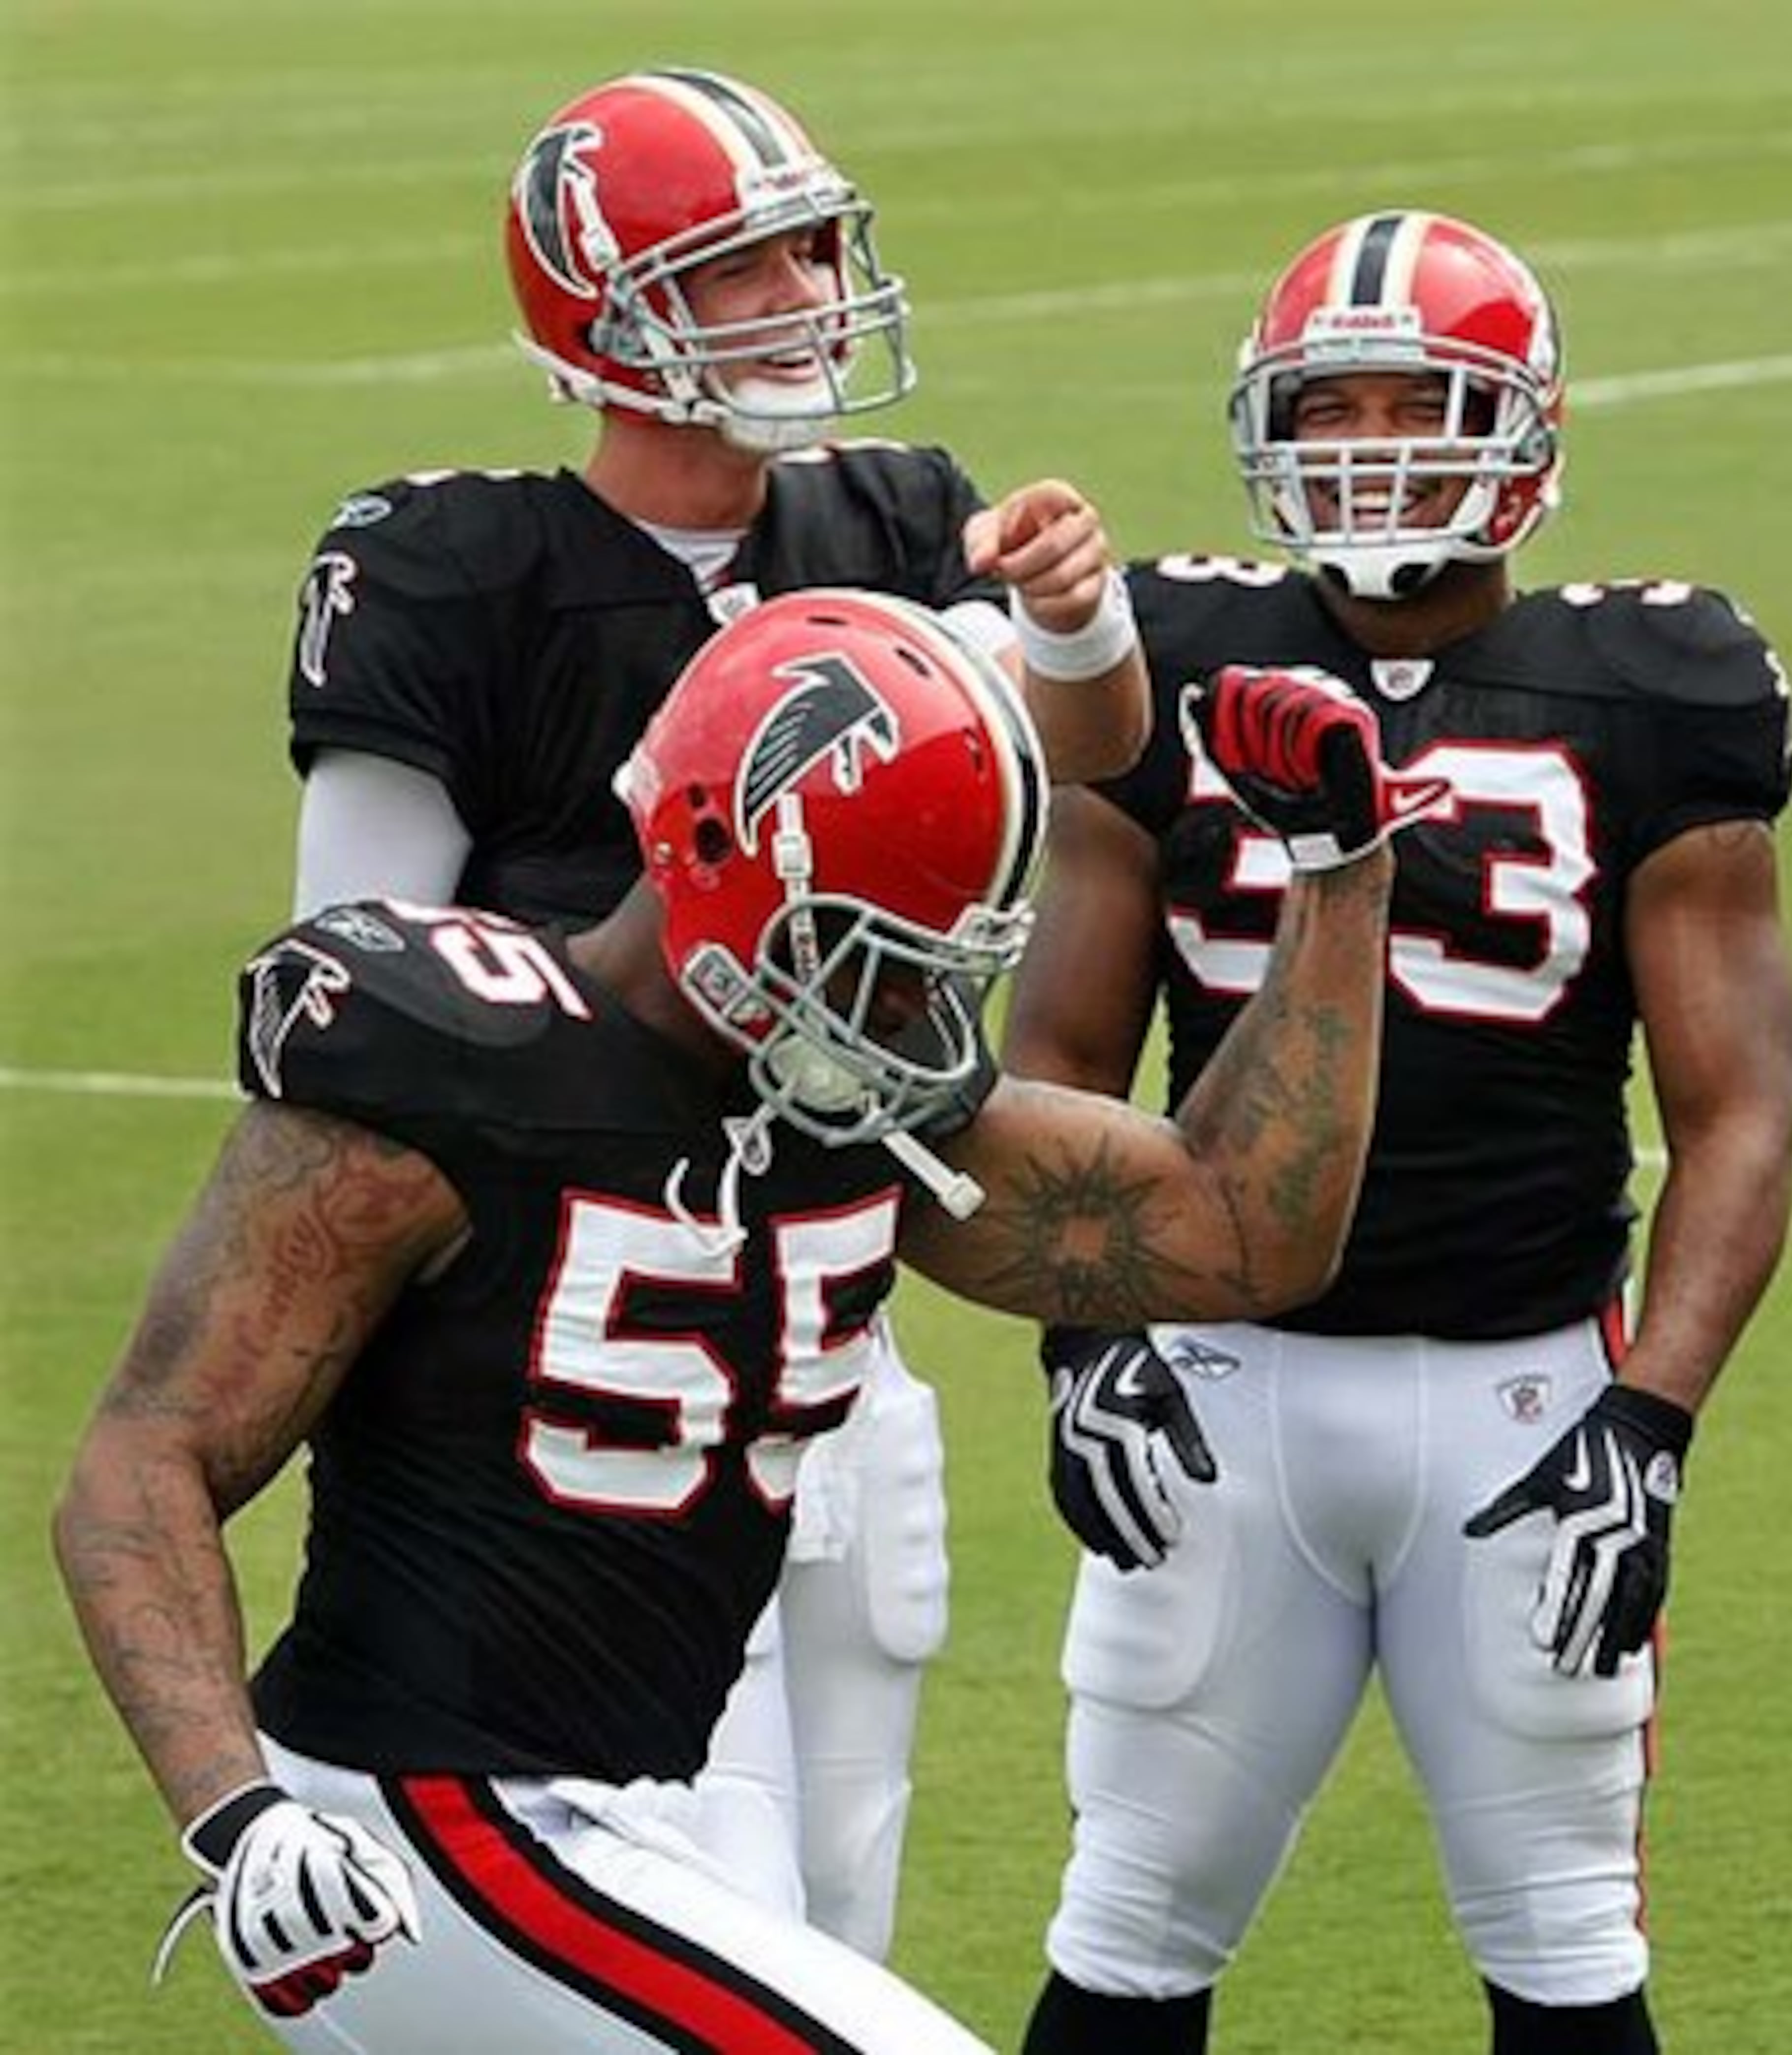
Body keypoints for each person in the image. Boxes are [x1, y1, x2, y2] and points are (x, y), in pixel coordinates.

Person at [56, 590, 1402, 2052]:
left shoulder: (848, 1103)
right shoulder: (451, 1071)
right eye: (872, 957)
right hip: (410, 1833)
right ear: (715, 850)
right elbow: (145, 1460)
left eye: (936, 972)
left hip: (646, 1815)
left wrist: (1342, 876)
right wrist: (235, 1813)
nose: (904, 1017)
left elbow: (1243, 1238)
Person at [284, 66, 1151, 1963]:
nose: (809, 295)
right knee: (702, 1908)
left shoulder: (892, 518)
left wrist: (1077, 620)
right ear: (604, 314)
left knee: (848, 1892)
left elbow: (1079, 755)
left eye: (812, 250)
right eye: (748, 268)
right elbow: (343, 985)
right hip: (579, 1345)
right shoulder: (460, 572)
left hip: (830, 1294)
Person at [1004, 211, 1792, 2055]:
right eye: (1330, 405)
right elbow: (1055, 1044)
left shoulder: (1652, 686)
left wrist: (1654, 1418)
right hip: (1218, 1379)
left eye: (1420, 405)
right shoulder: (1168, 660)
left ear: (1522, 436)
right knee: (1129, 1919)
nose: (1370, 447)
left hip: (1525, 1404)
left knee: (1562, 1930)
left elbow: (1740, 1107)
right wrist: (1085, 1333)